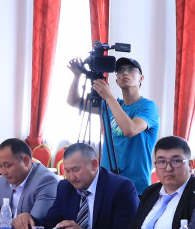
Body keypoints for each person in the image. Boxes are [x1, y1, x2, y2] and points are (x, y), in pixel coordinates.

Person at [67, 55, 159, 194]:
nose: (125, 73)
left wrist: (109, 97)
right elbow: (73, 101)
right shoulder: (111, 104)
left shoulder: (148, 106)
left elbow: (130, 129)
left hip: (135, 185)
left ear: (141, 78)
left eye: (131, 69)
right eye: (120, 71)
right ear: (116, 81)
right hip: (107, 182)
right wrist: (77, 76)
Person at [39, 142, 139, 229]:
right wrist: (31, 223)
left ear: (94, 165)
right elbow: (51, 223)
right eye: (67, 171)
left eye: (75, 170)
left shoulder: (121, 187)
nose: (72, 178)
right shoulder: (65, 187)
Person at [119, 136, 195, 229]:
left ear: (190, 165)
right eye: (162, 162)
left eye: (176, 161)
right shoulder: (150, 192)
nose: (168, 168)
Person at [0, 138, 59, 225]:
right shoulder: (4, 180)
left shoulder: (46, 182)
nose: (4, 172)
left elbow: (31, 224)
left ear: (26, 161)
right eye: (0, 166)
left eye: (8, 165)